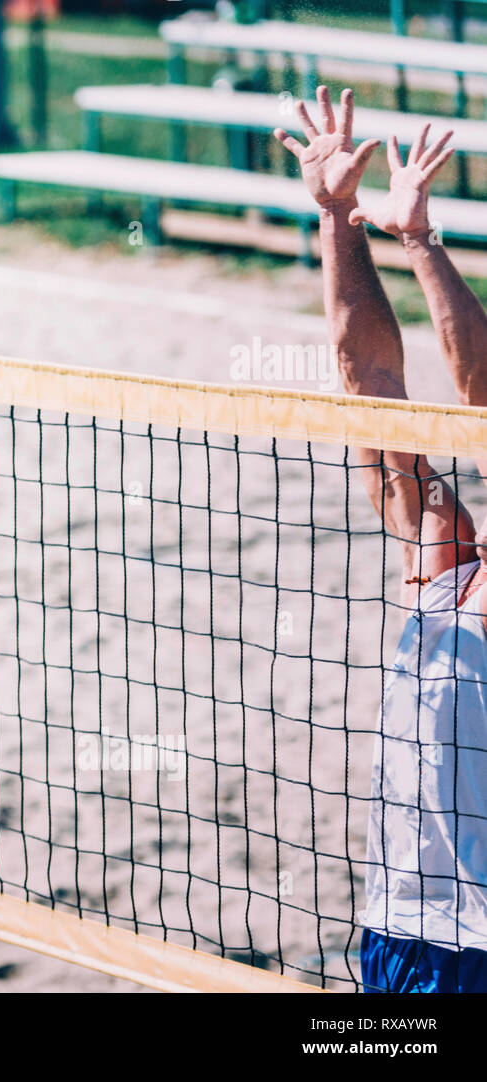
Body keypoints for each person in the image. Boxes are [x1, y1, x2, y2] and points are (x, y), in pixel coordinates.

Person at [276, 87, 487, 992]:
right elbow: (371, 383)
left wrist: (424, 246)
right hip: (396, 930)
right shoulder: (439, 557)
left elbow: (482, 399)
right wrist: (342, 222)